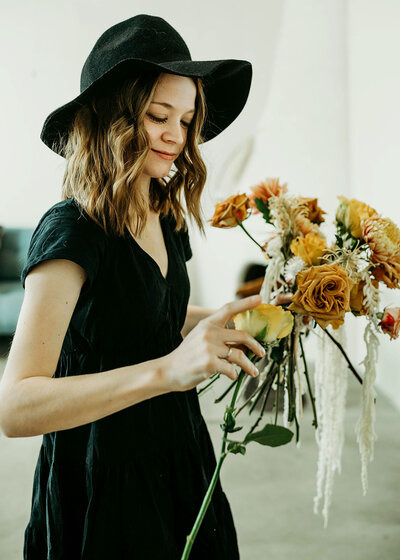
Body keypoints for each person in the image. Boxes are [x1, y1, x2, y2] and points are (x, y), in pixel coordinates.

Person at [0, 14, 266, 560]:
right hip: (102, 478)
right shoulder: (72, 230)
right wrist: (168, 370)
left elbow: (151, 312)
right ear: (112, 118)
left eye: (188, 120)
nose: (177, 135)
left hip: (178, 450)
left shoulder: (163, 209)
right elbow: (17, 406)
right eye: (158, 115)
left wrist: (231, 316)